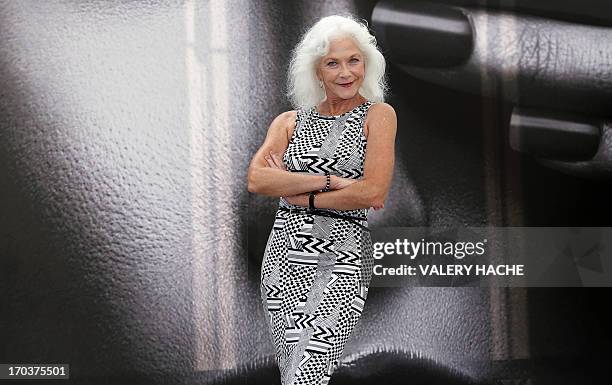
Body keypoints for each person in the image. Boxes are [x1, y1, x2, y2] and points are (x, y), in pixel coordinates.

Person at [247, 14, 396, 385]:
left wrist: (300, 194)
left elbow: (373, 191)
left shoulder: (378, 116)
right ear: (316, 71)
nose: (346, 72)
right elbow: (257, 179)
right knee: (294, 374)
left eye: (353, 60)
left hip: (341, 259)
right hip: (284, 258)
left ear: (367, 64)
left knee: (306, 374)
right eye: (333, 62)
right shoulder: (288, 122)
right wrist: (330, 180)